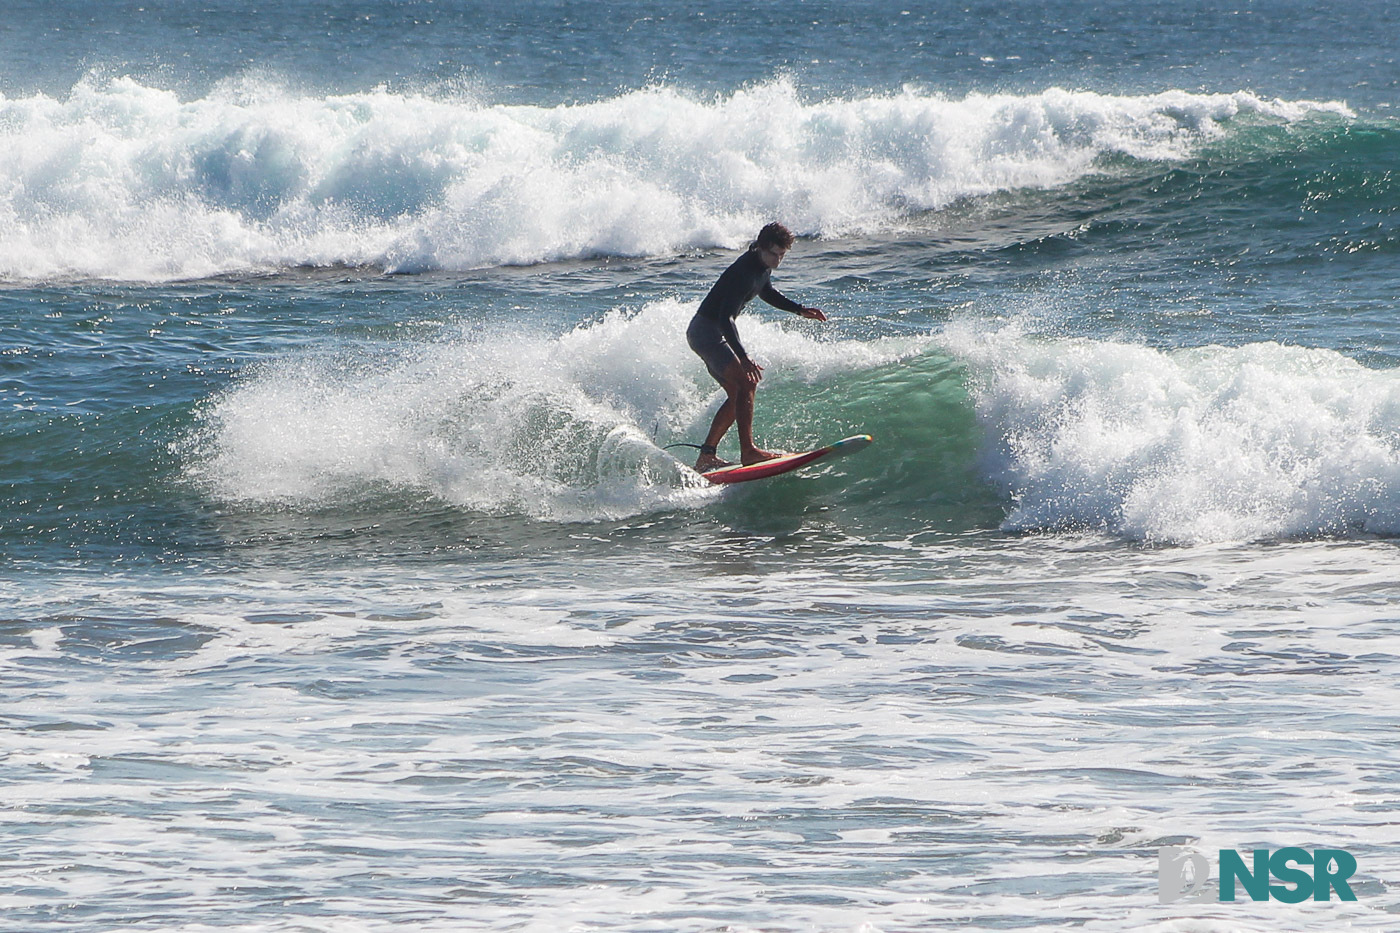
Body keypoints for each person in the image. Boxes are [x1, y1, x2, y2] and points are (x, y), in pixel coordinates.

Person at [686, 222, 827, 471]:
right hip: (706, 332)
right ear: (761, 247)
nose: (778, 260)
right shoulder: (743, 272)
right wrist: (743, 357)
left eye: (782, 254)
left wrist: (799, 310)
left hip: (707, 332)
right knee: (747, 382)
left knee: (737, 393)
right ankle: (749, 452)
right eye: (774, 254)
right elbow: (725, 318)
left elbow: (766, 291)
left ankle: (707, 456)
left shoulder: (761, 264)